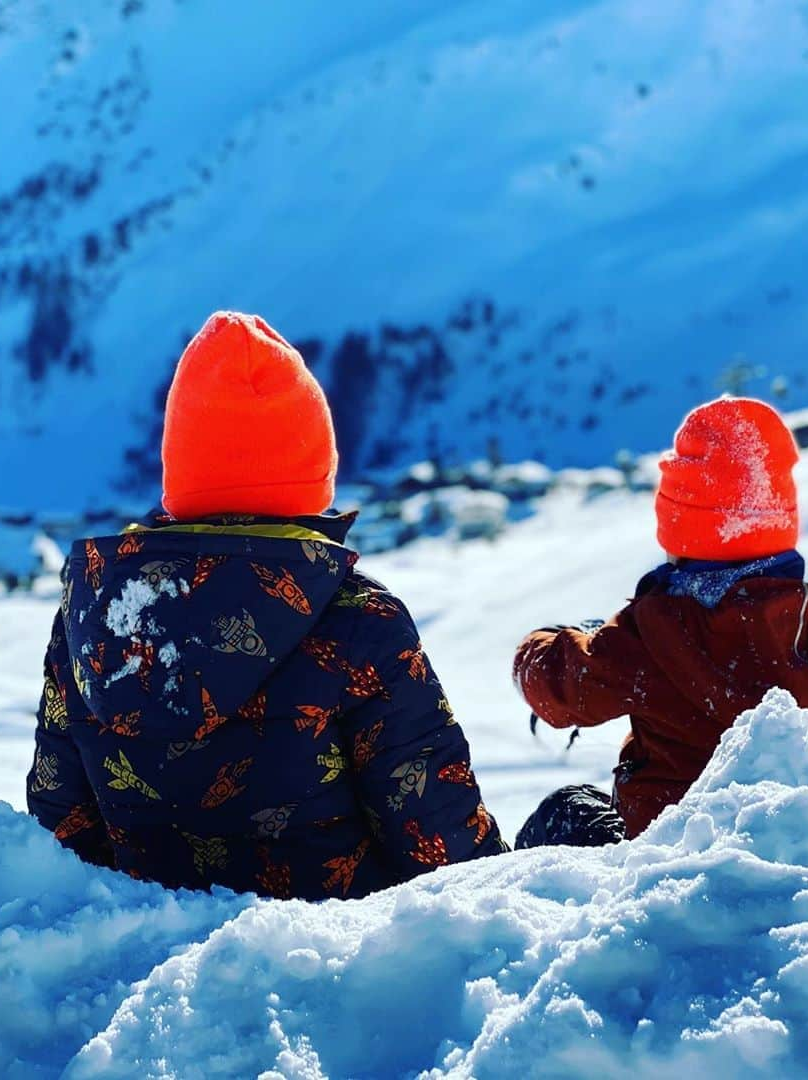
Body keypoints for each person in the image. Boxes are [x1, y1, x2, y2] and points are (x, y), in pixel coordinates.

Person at [27, 311, 506, 900]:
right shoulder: (358, 619)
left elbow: (60, 833)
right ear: (312, 471)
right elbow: (442, 849)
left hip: (149, 965)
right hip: (334, 965)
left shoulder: (97, 616)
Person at [513, 397, 808, 848]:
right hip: (801, 846)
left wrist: (541, 642)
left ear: (679, 530)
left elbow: (559, 689)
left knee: (567, 810)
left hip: (665, 858)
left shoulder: (655, 632)